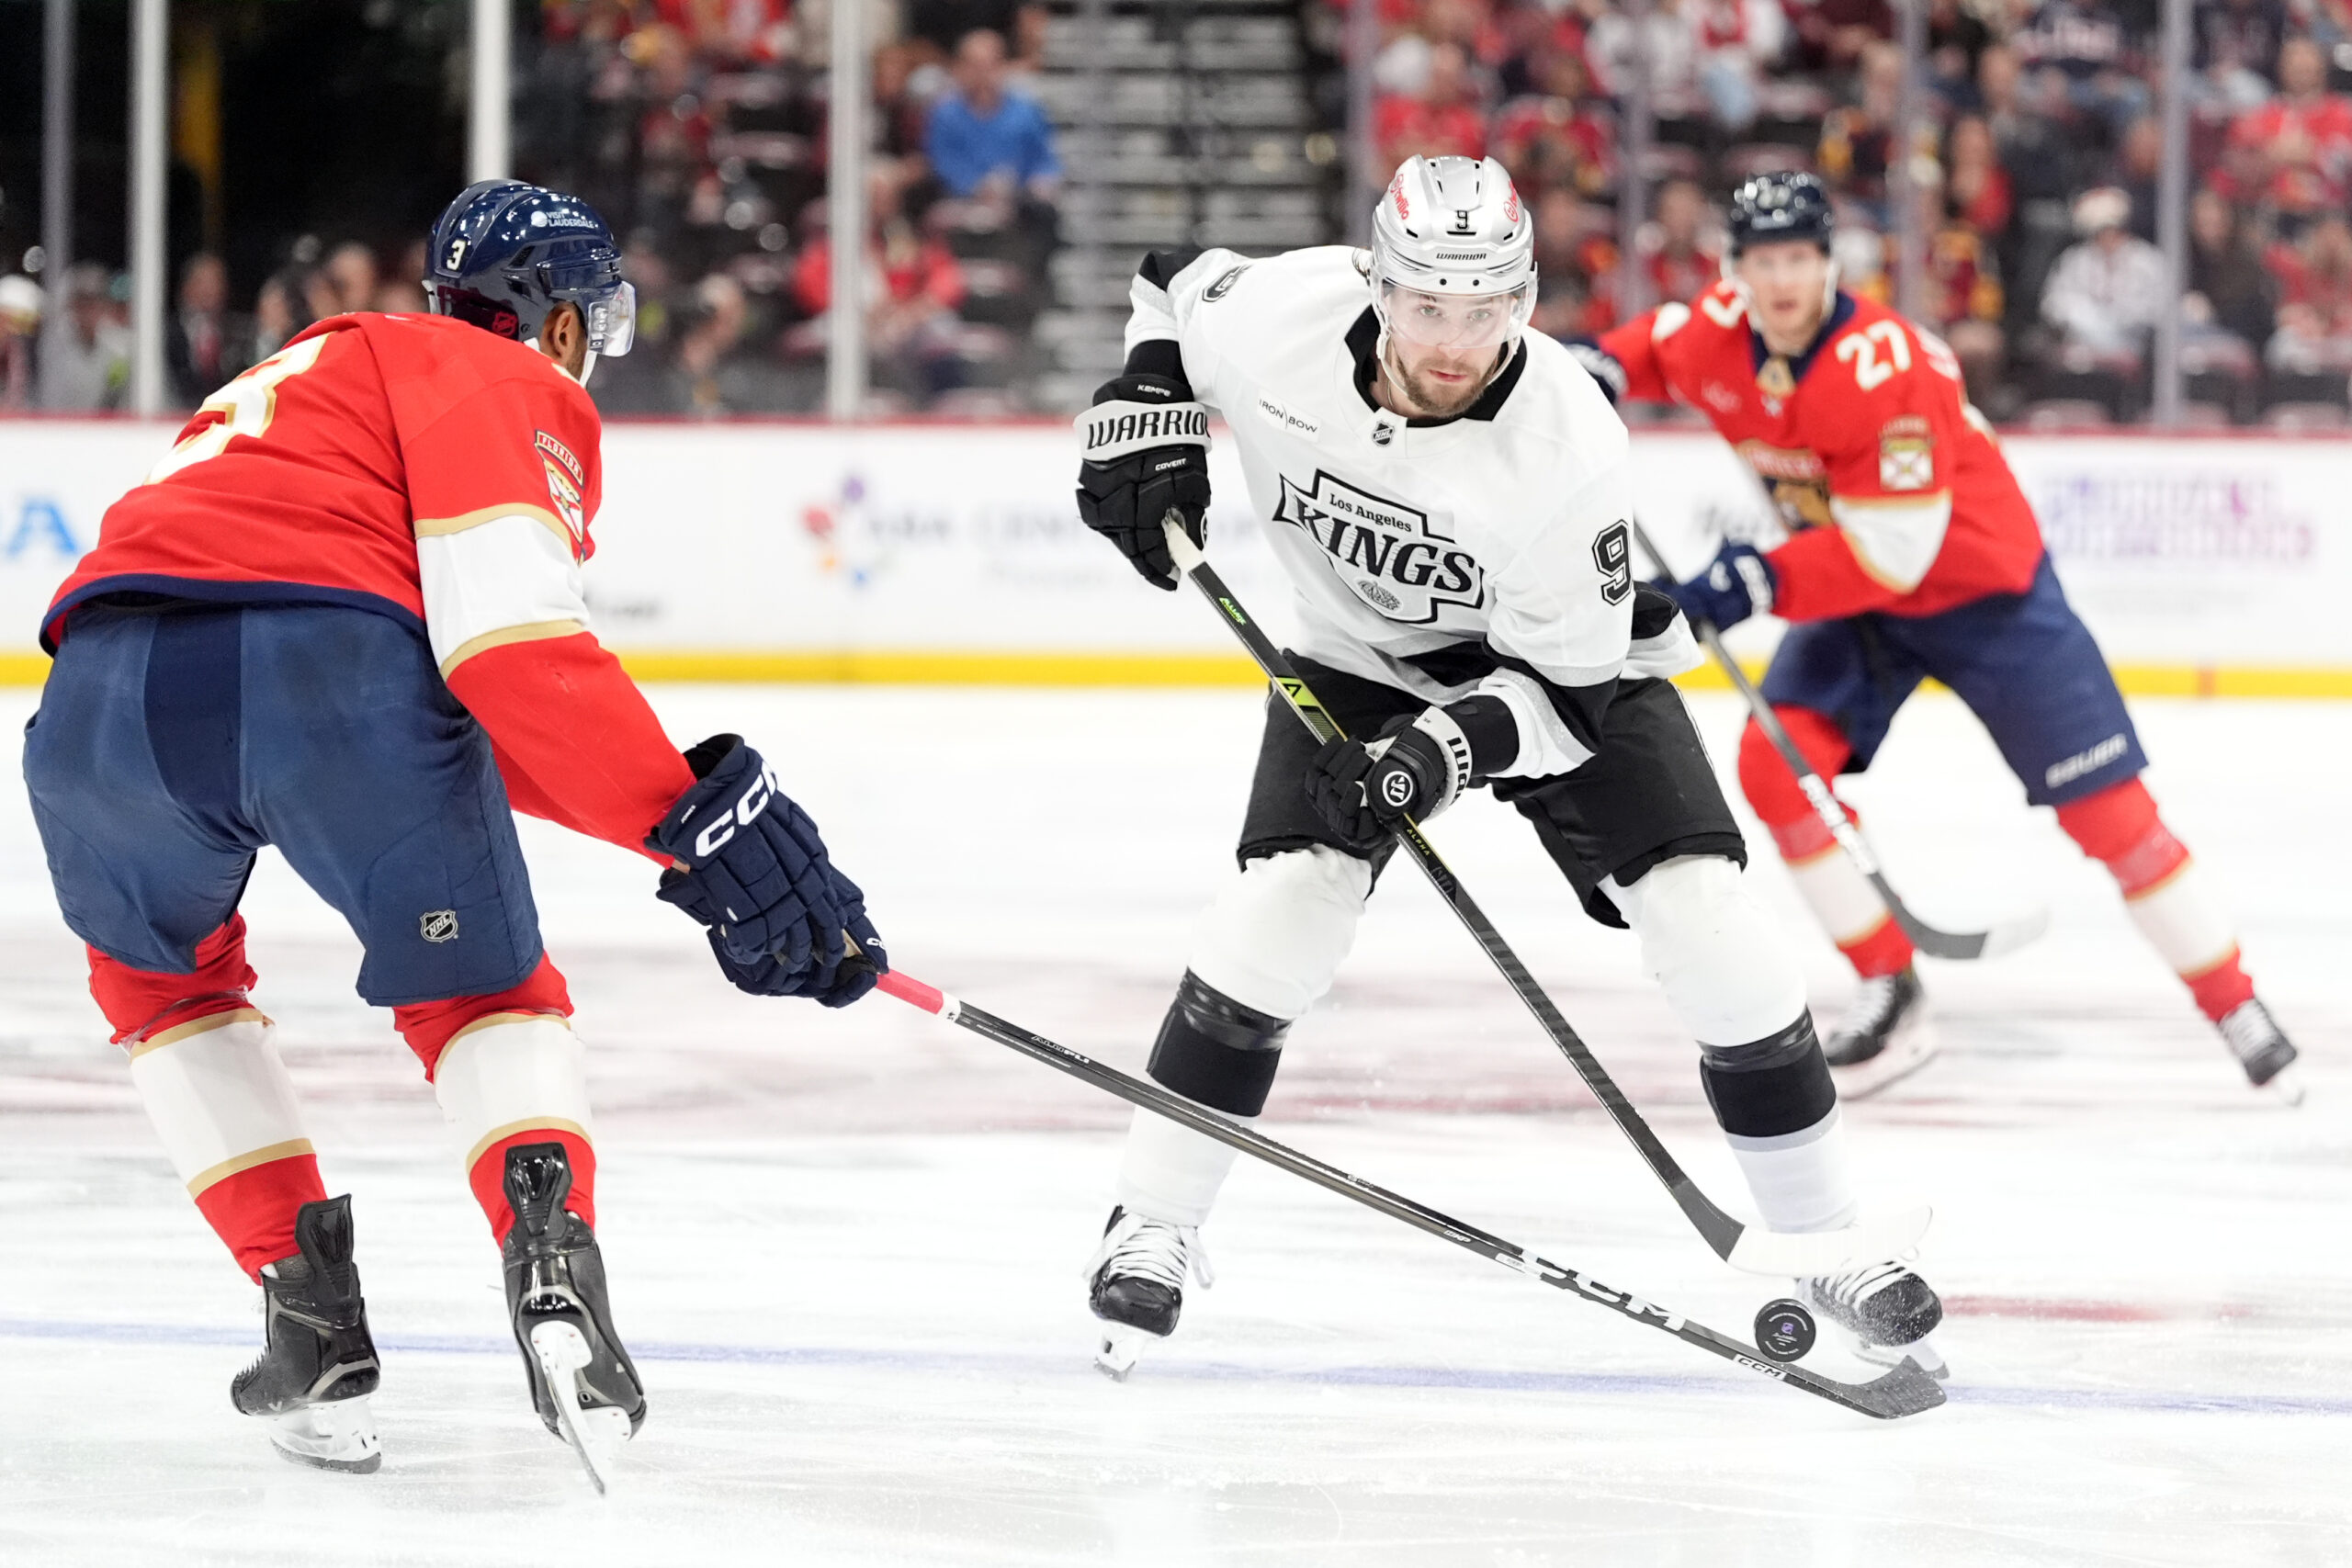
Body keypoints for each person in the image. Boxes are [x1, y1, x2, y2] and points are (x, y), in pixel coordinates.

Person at [21, 180, 886, 1475]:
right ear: (547, 322)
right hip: (326, 675)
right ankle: (549, 1256)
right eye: (588, 322)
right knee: (484, 994)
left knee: (163, 992)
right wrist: (691, 826)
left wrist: (680, 828)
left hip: (94, 698)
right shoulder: (495, 379)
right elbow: (508, 652)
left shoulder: (308, 373)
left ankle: (307, 1317)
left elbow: (463, 699)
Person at [1069, 155, 1945, 1382]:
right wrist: (1148, 394)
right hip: (1355, 655)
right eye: (1427, 302)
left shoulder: (1567, 448)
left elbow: (1568, 697)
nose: (1453, 340)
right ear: (1378, 282)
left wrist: (1439, 753)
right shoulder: (1286, 314)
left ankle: (1820, 1237)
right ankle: (1153, 1217)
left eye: (1487, 308)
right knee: (1282, 908)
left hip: (1560, 671)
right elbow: (1169, 282)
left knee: (1706, 913)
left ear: (1524, 297)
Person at [1568, 171, 2301, 1100]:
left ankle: (2232, 1001)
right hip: (1858, 597)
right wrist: (1573, 378)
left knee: (2110, 816)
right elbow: (1626, 355)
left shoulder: (1889, 363)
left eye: (1799, 257)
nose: (1782, 279)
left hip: (1981, 595)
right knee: (1773, 769)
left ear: (1830, 262)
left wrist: (1751, 579)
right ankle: (1889, 986)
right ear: (1735, 269)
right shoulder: (1711, 328)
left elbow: (1896, 554)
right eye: (1762, 260)